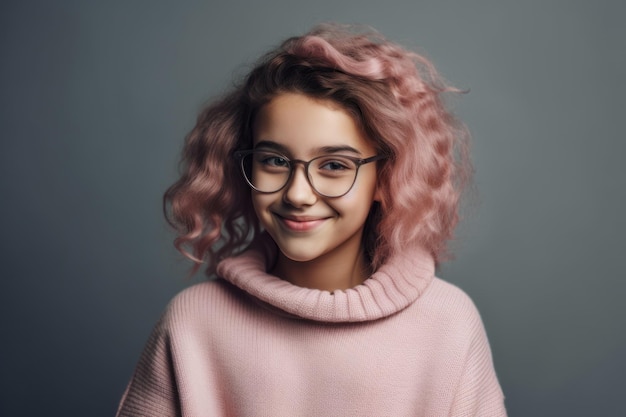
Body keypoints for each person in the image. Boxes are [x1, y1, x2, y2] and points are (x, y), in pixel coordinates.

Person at [116, 23, 507, 416]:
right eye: (274, 161)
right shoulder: (192, 323)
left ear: (386, 178)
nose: (298, 194)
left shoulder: (447, 324)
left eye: (335, 165)